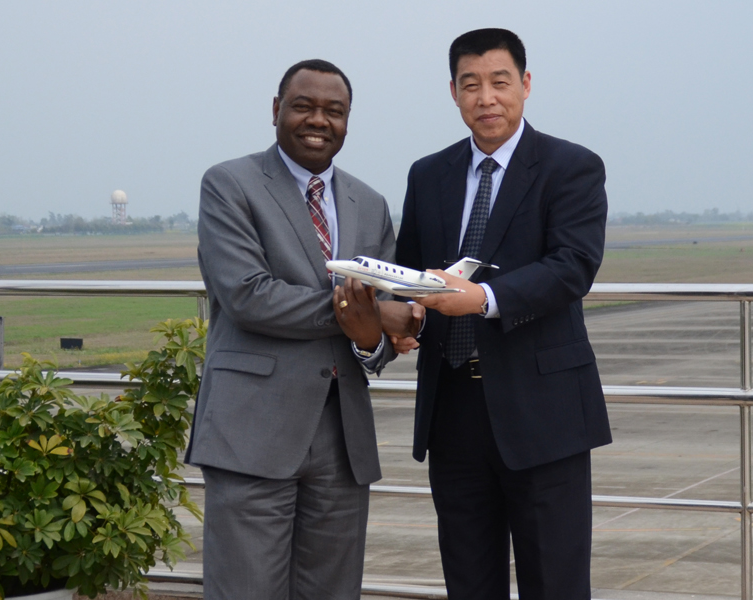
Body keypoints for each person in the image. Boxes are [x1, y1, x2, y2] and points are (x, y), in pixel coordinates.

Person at [189, 59, 421, 600]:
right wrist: (359, 314)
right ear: (276, 111)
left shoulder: (371, 203)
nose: (318, 120)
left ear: (347, 121)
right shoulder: (229, 184)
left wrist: (376, 336)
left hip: (342, 442)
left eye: (333, 111)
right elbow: (248, 295)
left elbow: (377, 335)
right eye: (303, 106)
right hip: (252, 434)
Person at [397, 28, 611, 600]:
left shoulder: (572, 166)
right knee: (469, 582)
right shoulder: (427, 174)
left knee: (555, 583)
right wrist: (401, 316)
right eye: (471, 85)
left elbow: (573, 267)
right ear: (453, 92)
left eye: (500, 82)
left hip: (543, 414)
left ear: (526, 85)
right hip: (453, 413)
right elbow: (412, 274)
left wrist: (485, 300)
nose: (486, 98)